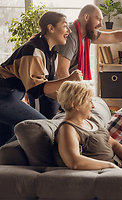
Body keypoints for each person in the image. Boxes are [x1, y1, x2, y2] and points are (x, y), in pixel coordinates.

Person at [0, 11, 83, 146]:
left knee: (4, 146)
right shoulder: (33, 50)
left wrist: (69, 102)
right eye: (64, 26)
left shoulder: (51, 53)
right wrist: (69, 79)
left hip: (10, 96)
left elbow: (46, 88)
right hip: (4, 94)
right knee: (40, 125)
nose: (69, 30)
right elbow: (35, 89)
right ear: (50, 28)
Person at [56, 4, 122, 79]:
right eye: (98, 19)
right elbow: (61, 72)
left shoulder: (87, 35)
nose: (101, 25)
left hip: (69, 88)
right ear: (86, 17)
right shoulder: (70, 35)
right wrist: (76, 98)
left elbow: (115, 37)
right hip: (58, 93)